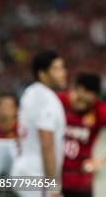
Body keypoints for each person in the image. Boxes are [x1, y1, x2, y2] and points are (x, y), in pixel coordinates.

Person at [59, 73, 106, 197]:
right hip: (51, 177)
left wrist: (101, 162)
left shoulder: (102, 111)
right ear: (72, 90)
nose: (79, 103)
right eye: (77, 97)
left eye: (85, 100)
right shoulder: (57, 102)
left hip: (80, 181)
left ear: (94, 97)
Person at [11, 51, 67, 197]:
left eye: (62, 68)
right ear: (42, 74)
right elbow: (47, 144)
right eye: (57, 69)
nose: (63, 73)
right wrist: (53, 186)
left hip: (23, 169)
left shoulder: (30, 92)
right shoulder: (47, 99)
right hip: (37, 174)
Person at [0, 93, 18, 195]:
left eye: (8, 106)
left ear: (16, 109)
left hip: (18, 177)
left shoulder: (23, 131)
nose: (3, 110)